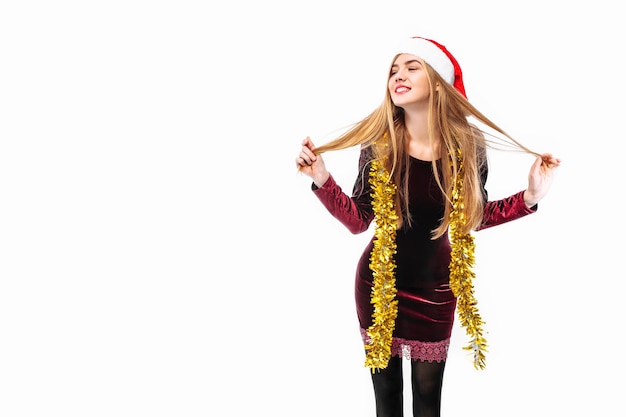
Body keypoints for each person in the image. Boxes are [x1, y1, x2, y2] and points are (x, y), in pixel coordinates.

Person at [295, 36, 560, 417]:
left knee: (427, 402)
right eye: (393, 70)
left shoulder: (467, 146)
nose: (397, 76)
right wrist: (322, 178)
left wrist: (531, 196)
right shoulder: (379, 145)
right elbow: (358, 220)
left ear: (437, 81)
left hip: (436, 290)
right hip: (378, 286)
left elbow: (474, 214)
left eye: (411, 67)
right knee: (386, 399)